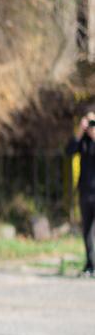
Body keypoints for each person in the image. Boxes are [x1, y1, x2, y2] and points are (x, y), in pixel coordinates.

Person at [67, 111, 95, 277]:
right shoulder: (82, 141)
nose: (91, 127)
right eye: (89, 123)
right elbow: (69, 151)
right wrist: (79, 132)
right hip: (85, 192)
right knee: (87, 230)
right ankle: (90, 264)